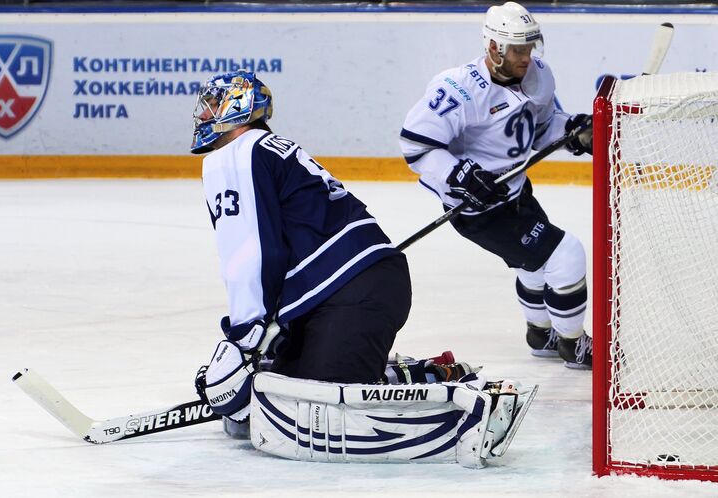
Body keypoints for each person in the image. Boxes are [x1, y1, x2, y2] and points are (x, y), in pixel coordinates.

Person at [187, 71, 536, 467]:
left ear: (237, 109)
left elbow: (249, 251)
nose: (203, 116)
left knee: (308, 411)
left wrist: (244, 339)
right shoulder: (265, 149)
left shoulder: (236, 153)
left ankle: (450, 393)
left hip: (350, 292)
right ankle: (418, 375)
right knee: (279, 393)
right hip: (355, 287)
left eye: (212, 106)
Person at [399, 2, 593, 369]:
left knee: (536, 266)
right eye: (518, 49)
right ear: (493, 48)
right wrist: (460, 176)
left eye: (529, 47)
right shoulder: (459, 89)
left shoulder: (537, 75)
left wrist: (573, 132)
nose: (526, 56)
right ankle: (573, 343)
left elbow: (540, 129)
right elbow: (416, 146)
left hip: (517, 190)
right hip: (479, 209)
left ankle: (540, 334)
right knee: (566, 256)